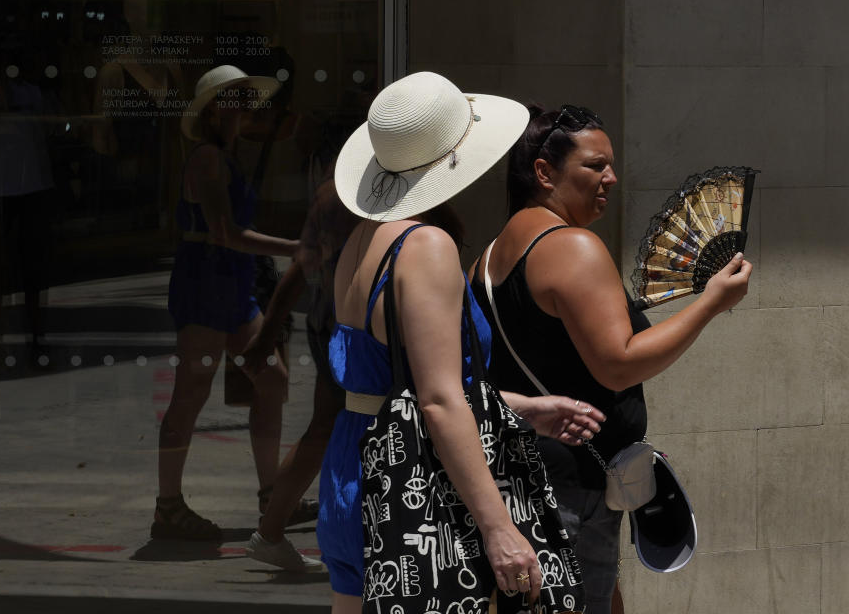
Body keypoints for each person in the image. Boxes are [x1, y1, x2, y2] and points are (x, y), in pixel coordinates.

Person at [318, 73, 604, 614]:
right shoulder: (425, 245)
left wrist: (522, 408)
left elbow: (395, 384)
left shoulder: (362, 239)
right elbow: (438, 400)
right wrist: (499, 529)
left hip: (353, 471)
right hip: (410, 483)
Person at [469, 104, 752, 613]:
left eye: (611, 164)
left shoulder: (488, 255)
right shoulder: (571, 246)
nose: (611, 178)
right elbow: (617, 364)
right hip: (572, 488)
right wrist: (710, 303)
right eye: (595, 165)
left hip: (517, 475)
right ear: (544, 172)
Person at [151, 65, 299, 541]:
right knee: (190, 396)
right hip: (207, 282)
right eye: (232, 99)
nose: (241, 108)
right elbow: (225, 233)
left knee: (271, 379)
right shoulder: (209, 159)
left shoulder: (226, 156)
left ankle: (271, 495)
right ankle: (168, 508)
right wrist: (296, 249)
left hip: (230, 284)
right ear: (213, 107)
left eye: (244, 98)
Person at [243, 179, 357, 571]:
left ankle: (272, 530)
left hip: (332, 320)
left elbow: (303, 262)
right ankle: (275, 531)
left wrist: (269, 331)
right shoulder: (354, 192)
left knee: (324, 430)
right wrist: (267, 332)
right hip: (351, 324)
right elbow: (304, 262)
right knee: (339, 428)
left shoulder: (333, 189)